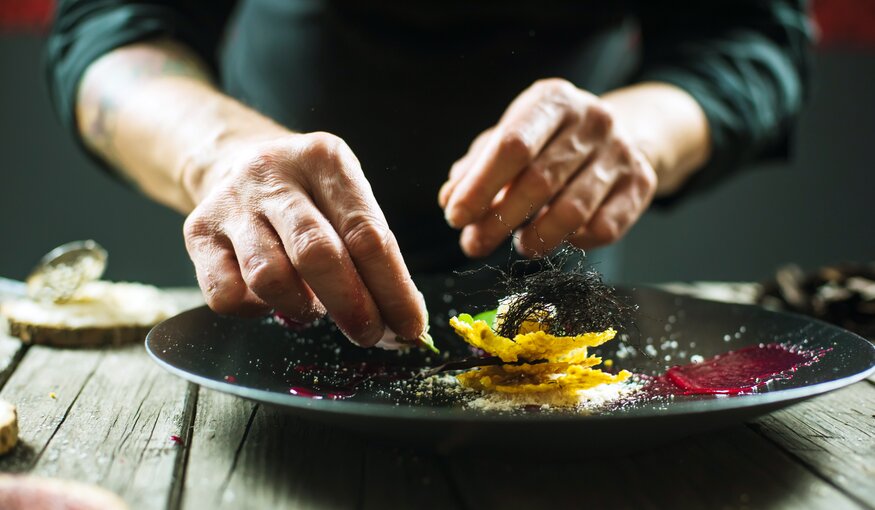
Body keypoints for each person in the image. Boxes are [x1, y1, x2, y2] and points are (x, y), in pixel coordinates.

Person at [46, 1, 811, 347]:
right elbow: (113, 24)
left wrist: (635, 135)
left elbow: (747, 35)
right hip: (279, 273)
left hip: (552, 261)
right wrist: (216, 151)